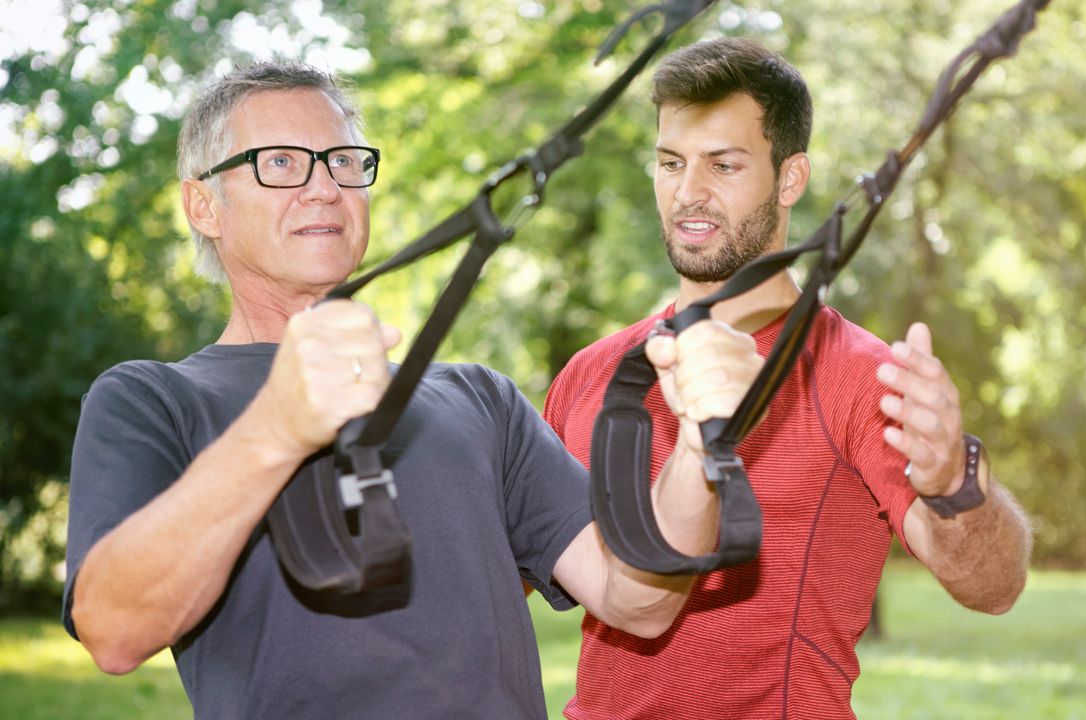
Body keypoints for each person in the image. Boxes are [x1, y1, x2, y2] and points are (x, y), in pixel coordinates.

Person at [61, 60, 764, 719]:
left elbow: (636, 598)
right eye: (279, 162)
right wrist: (274, 431)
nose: (324, 186)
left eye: (343, 161)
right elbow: (115, 632)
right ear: (203, 206)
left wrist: (702, 441)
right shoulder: (152, 401)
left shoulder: (480, 401)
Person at [543, 38, 1034, 719]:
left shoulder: (859, 375)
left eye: (724, 164)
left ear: (790, 178)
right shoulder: (590, 375)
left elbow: (994, 586)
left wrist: (956, 481)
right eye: (670, 162)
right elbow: (493, 584)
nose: (689, 191)